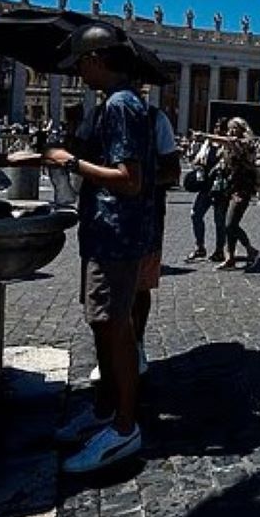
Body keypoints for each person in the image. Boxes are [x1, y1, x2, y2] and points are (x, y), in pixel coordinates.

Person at [46, 23, 154, 473]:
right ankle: (106, 411)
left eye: (82, 64)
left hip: (116, 234)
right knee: (103, 325)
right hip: (106, 232)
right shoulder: (118, 104)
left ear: (97, 60)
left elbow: (130, 180)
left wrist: (70, 162)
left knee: (116, 329)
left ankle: (124, 429)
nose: (78, 73)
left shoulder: (123, 105)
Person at [90, 104, 181, 381]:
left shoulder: (156, 119)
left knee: (140, 286)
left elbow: (172, 170)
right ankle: (108, 354)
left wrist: (138, 180)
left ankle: (137, 343)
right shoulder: (96, 116)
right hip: (102, 214)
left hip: (145, 215)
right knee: (102, 286)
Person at [208, 118, 260, 270]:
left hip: (243, 188)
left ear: (242, 129)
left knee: (230, 224)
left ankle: (251, 250)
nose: (231, 132)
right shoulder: (228, 145)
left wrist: (208, 137)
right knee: (228, 226)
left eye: (234, 129)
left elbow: (239, 150)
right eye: (229, 129)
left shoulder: (247, 143)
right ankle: (230, 257)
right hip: (229, 188)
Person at [186, 119, 231, 263]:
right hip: (205, 186)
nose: (217, 129)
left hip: (220, 188)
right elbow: (197, 159)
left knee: (219, 221)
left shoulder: (227, 143)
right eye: (216, 127)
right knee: (195, 214)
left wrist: (205, 136)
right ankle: (200, 246)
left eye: (220, 128)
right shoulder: (207, 144)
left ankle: (219, 250)